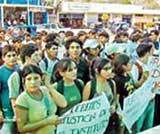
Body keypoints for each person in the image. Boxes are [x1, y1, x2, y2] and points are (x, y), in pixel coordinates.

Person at [15, 64, 67, 134]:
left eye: (36, 78)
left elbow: (63, 104)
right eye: (29, 79)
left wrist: (48, 85)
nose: (33, 82)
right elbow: (21, 128)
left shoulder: (45, 90)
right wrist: (46, 122)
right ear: (24, 81)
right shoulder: (22, 99)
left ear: (41, 78)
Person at [83, 58, 119, 134]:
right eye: (106, 69)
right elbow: (84, 106)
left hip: (109, 121)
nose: (109, 71)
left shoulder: (112, 83)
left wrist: (113, 106)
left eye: (110, 68)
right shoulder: (90, 86)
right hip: (94, 124)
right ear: (97, 70)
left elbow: (114, 99)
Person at [0, 45, 18, 133]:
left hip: (19, 106)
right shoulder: (0, 72)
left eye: (14, 55)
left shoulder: (19, 70)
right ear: (3, 58)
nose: (12, 58)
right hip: (6, 109)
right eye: (9, 56)